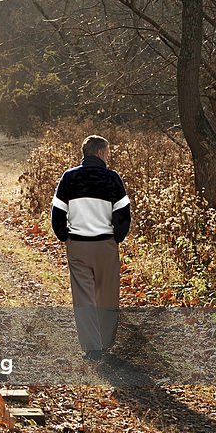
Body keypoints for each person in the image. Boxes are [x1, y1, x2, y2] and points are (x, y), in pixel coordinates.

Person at [50, 135, 131, 358]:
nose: (109, 156)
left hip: (78, 245)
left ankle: (92, 348)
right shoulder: (113, 178)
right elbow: (123, 214)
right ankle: (105, 343)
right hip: (105, 245)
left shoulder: (69, 177)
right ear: (100, 153)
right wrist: (117, 237)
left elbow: (57, 212)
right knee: (107, 295)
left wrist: (64, 236)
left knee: (83, 296)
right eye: (108, 152)